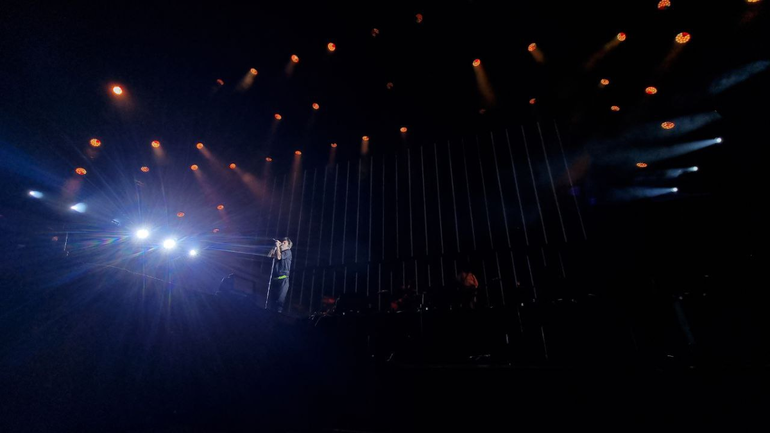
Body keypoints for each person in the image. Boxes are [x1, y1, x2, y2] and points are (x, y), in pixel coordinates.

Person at [268, 237, 293, 313]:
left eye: (284, 242)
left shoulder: (288, 252)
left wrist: (278, 246)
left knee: (279, 302)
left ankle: (278, 315)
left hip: (283, 279)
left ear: (288, 245)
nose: (282, 243)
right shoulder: (278, 251)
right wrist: (275, 247)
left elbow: (279, 257)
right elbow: (269, 255)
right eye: (282, 241)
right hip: (275, 279)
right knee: (272, 301)